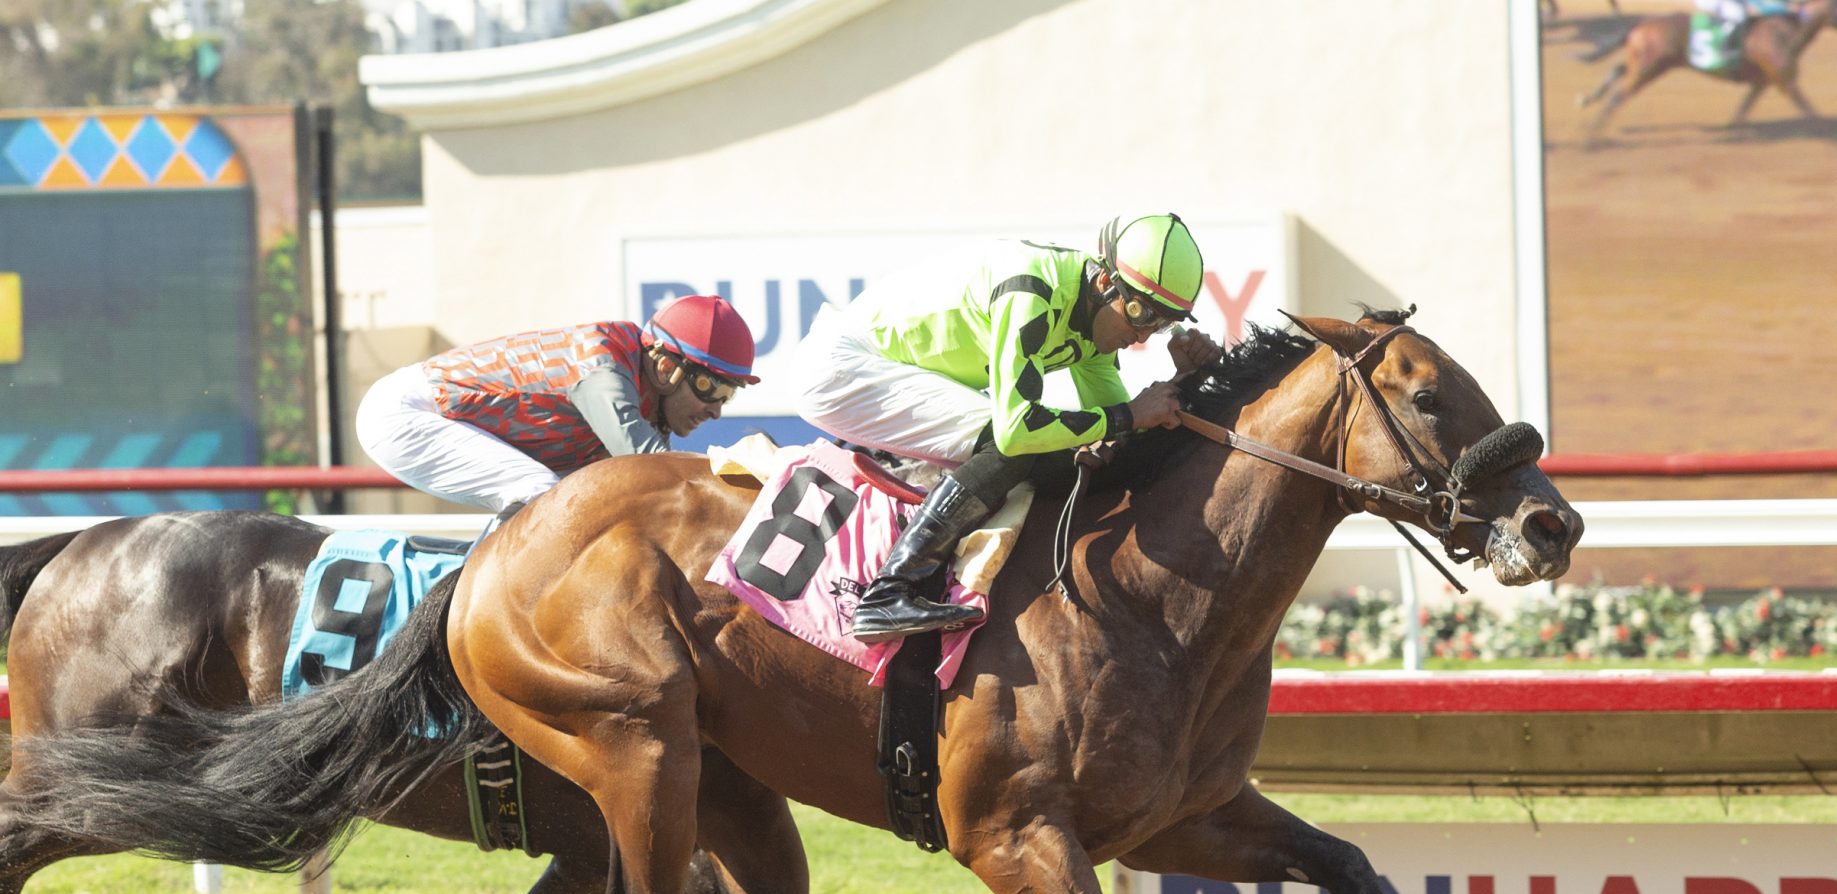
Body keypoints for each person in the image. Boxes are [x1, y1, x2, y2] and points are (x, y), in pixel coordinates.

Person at [792, 213, 1221, 643]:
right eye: (1139, 312)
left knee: (1053, 453)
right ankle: (891, 588)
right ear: (1106, 284)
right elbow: (1018, 431)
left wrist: (1184, 380)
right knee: (1018, 443)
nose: (1143, 334)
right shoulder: (1032, 290)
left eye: (1161, 322)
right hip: (845, 367)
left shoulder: (1092, 326)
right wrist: (1128, 414)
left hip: (878, 366)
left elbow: (1120, 438)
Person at [356, 293, 758, 515]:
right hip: (406, 413)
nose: (716, 410)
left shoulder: (647, 390)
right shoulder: (603, 367)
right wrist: (749, 478)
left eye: (729, 394)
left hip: (432, 410)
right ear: (666, 366)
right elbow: (649, 466)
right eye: (710, 388)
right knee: (539, 492)